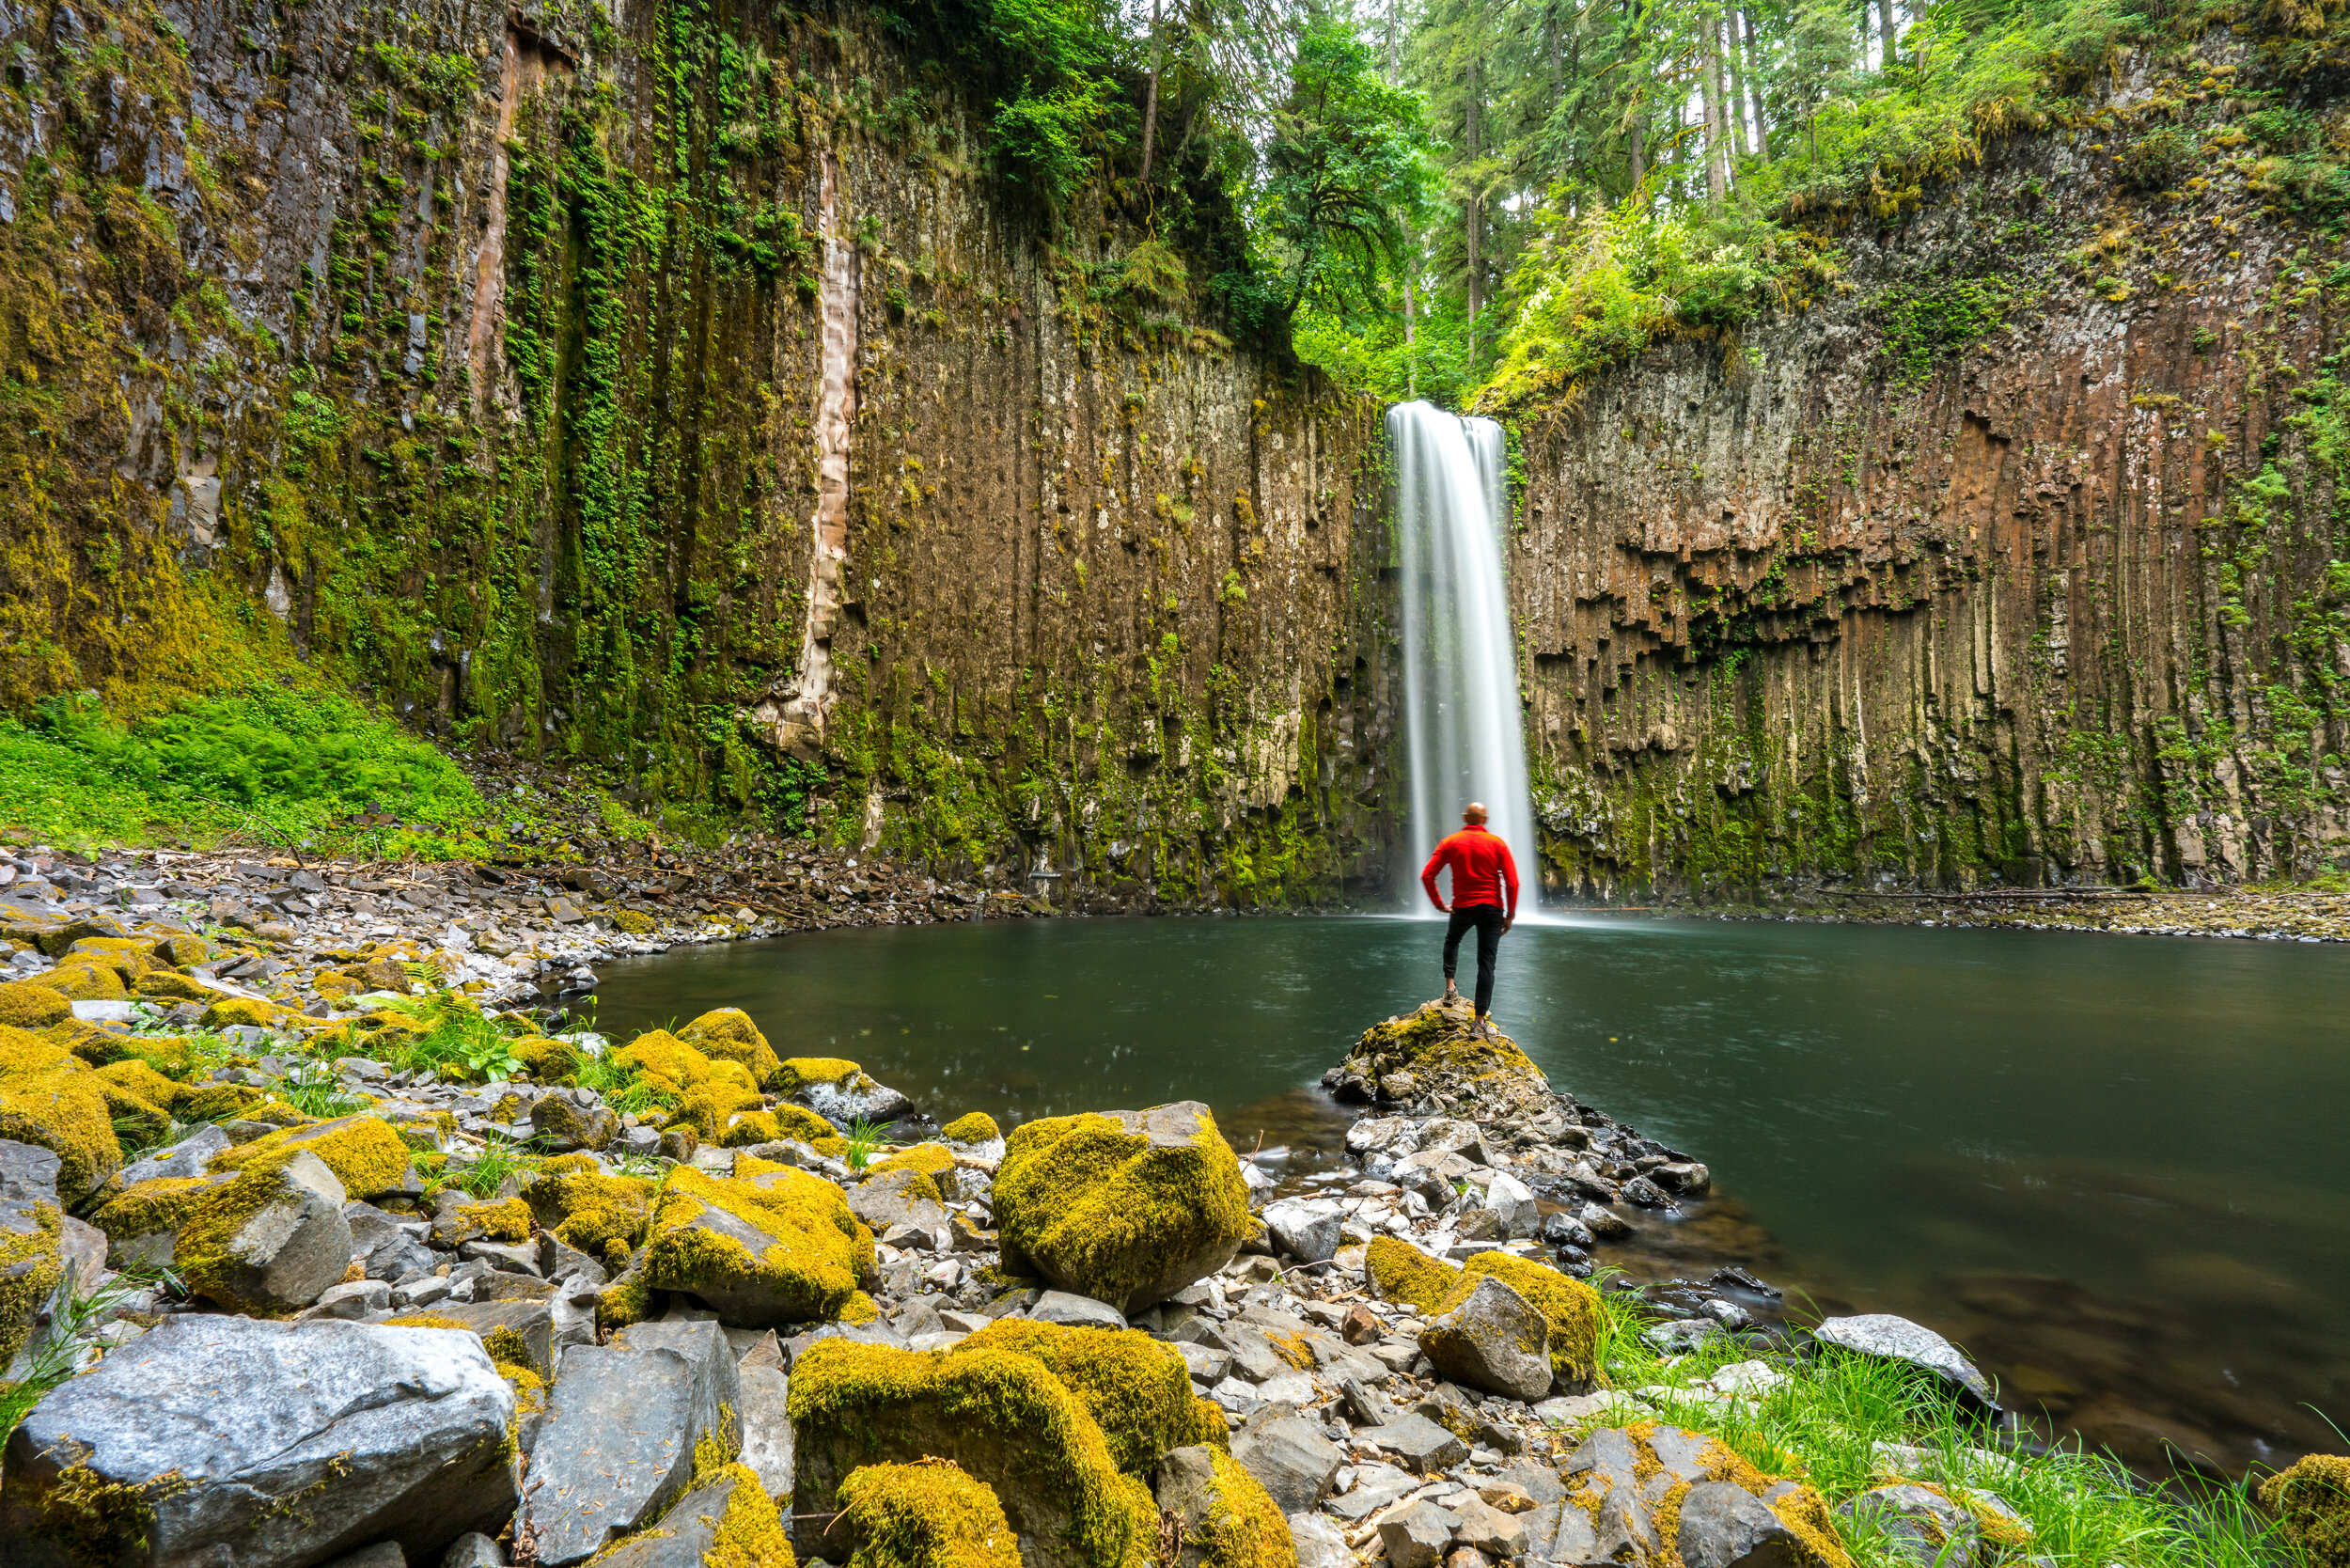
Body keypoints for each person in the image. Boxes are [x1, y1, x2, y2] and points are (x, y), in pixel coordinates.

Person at [1419, 802, 1519, 1037]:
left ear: (1465, 817)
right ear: (1485, 819)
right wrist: (1510, 915)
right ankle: (1478, 1021)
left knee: (1452, 941)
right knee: (1486, 963)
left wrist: (1439, 904)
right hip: (1491, 908)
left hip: (1462, 906)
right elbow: (1513, 883)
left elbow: (1427, 875)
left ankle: (1450, 988)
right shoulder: (1497, 844)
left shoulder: (1450, 843)